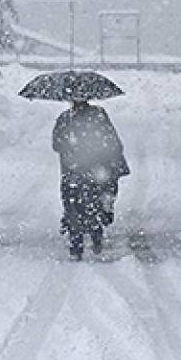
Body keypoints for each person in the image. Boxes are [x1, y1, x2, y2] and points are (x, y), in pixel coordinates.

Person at [52, 99, 129, 260]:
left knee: (73, 205)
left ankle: (77, 244)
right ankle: (95, 235)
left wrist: (71, 146)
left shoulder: (65, 119)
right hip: (94, 170)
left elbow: (56, 144)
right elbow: (112, 141)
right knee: (94, 203)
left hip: (74, 171)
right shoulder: (98, 116)